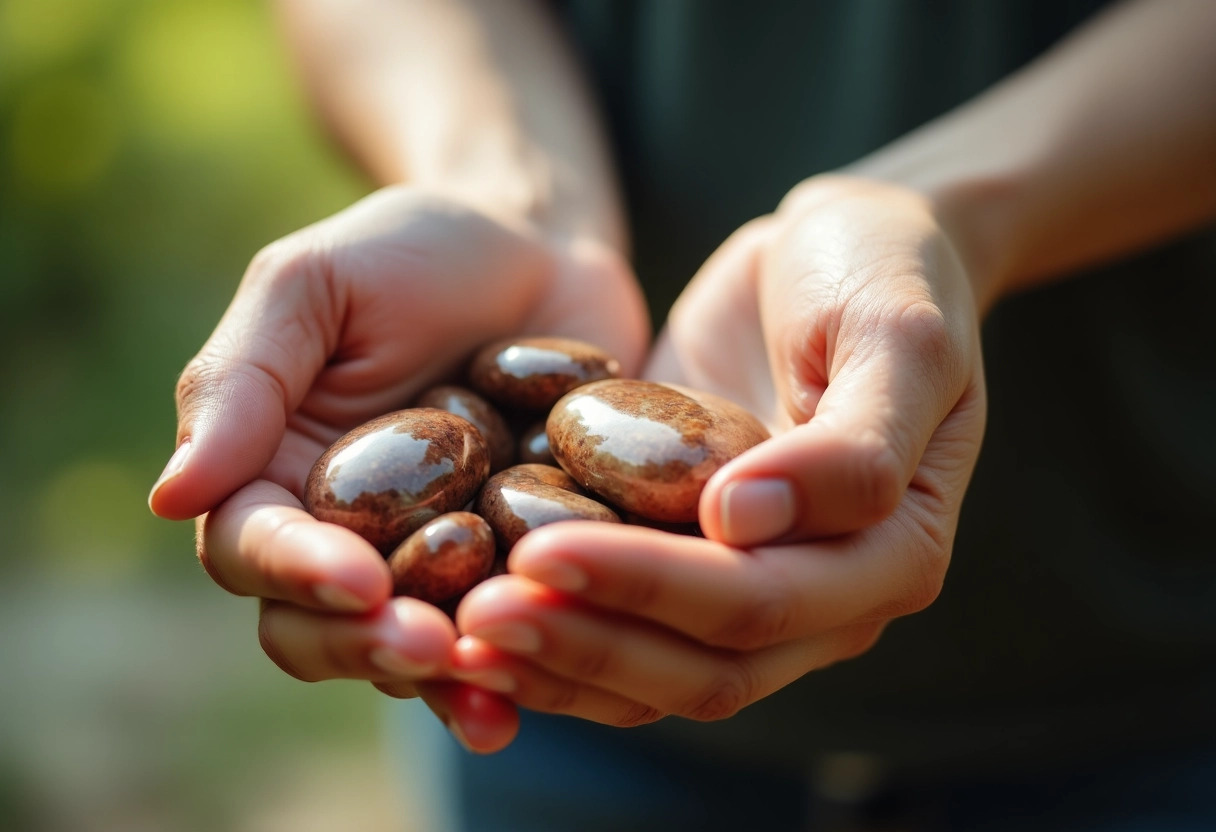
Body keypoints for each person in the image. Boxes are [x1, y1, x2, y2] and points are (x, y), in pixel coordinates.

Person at [149, 0, 1216, 828]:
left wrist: (964, 212)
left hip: (1155, 670)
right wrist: (502, 180)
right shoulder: (494, 472)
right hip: (556, 716)